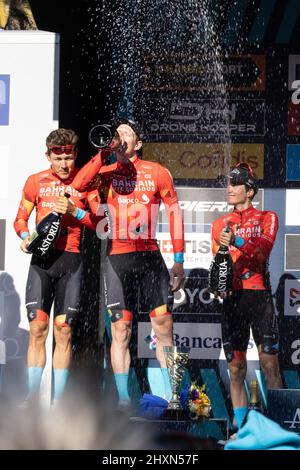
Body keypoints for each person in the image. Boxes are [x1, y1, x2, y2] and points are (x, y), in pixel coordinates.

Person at [72, 119, 185, 407]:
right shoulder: (106, 172)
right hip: (117, 259)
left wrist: (179, 260)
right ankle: (123, 399)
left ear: (138, 143)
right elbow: (77, 185)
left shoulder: (157, 172)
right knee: (121, 330)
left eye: (127, 134)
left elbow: (174, 213)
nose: (120, 137)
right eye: (117, 133)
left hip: (149, 256)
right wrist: (102, 153)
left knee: (163, 326)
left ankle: (173, 396)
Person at [14, 128, 101, 404]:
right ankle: (31, 399)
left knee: (64, 331)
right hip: (42, 263)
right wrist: (26, 237)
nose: (64, 164)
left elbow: (102, 225)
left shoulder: (86, 182)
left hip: (71, 262)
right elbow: (19, 219)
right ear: (48, 157)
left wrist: (74, 211)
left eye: (69, 157)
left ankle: (59, 403)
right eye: (58, 158)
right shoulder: (35, 182)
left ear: (75, 155)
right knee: (38, 330)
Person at [211, 162, 283, 430]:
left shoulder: (268, 217)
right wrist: (218, 283)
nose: (229, 189)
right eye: (228, 184)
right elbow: (218, 265)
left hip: (259, 298)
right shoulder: (219, 224)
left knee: (269, 366)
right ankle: (239, 430)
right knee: (236, 369)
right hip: (232, 301)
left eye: (235, 184)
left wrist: (238, 241)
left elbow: (262, 254)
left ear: (250, 190)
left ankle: (280, 429)